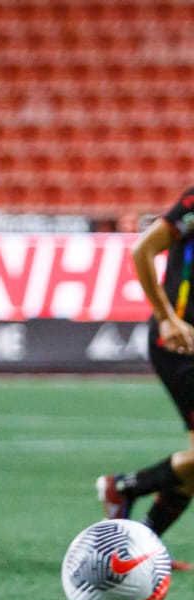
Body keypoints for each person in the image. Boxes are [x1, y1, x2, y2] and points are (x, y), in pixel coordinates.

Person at [97, 184, 194, 572]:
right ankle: (126, 487)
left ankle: (142, 539)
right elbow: (143, 250)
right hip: (179, 344)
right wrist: (167, 316)